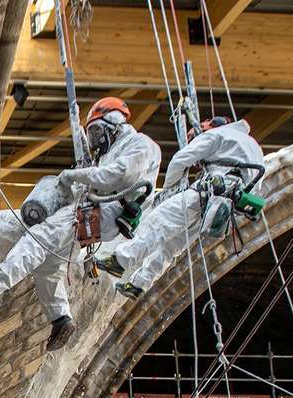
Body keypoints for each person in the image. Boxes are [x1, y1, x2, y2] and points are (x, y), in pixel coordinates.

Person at [0, 97, 161, 351]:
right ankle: (61, 319)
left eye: (95, 130)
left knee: (39, 237)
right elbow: (99, 171)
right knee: (50, 265)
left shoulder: (140, 145)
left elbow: (117, 175)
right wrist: (81, 145)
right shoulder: (115, 148)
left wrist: (73, 175)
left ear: (114, 121)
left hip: (103, 211)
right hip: (101, 216)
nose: (95, 139)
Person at [96, 115, 265, 299]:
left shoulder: (216, 134)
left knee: (158, 221)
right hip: (223, 207)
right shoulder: (254, 147)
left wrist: (170, 189)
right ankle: (138, 284)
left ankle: (120, 261)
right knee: (172, 245)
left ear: (211, 124)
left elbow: (180, 160)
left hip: (206, 194)